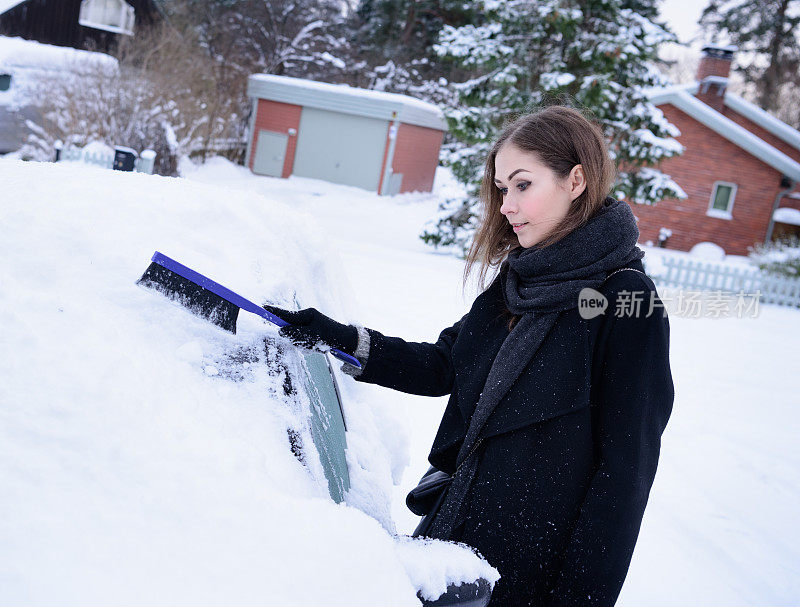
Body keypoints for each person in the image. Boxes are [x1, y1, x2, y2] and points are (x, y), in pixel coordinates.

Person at [264, 105, 675, 606]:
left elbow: (625, 475)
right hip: (453, 548)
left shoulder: (626, 303)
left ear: (576, 181)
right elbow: (444, 366)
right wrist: (340, 338)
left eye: (523, 184)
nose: (505, 205)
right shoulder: (519, 282)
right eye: (503, 188)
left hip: (530, 574)